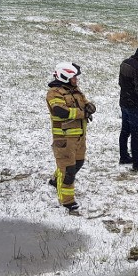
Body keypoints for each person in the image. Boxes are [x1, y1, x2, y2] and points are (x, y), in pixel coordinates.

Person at [46, 62, 96, 213]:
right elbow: (60, 111)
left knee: (78, 163)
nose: (76, 79)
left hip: (79, 137)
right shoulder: (54, 93)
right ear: (65, 76)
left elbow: (87, 104)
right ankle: (67, 201)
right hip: (64, 140)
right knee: (68, 171)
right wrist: (82, 113)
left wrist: (90, 107)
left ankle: (56, 180)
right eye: (74, 77)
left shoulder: (76, 91)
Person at [118, 46, 138, 171]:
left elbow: (120, 83)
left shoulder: (125, 63)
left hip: (124, 102)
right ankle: (137, 162)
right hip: (135, 106)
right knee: (136, 134)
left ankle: (124, 156)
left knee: (125, 131)